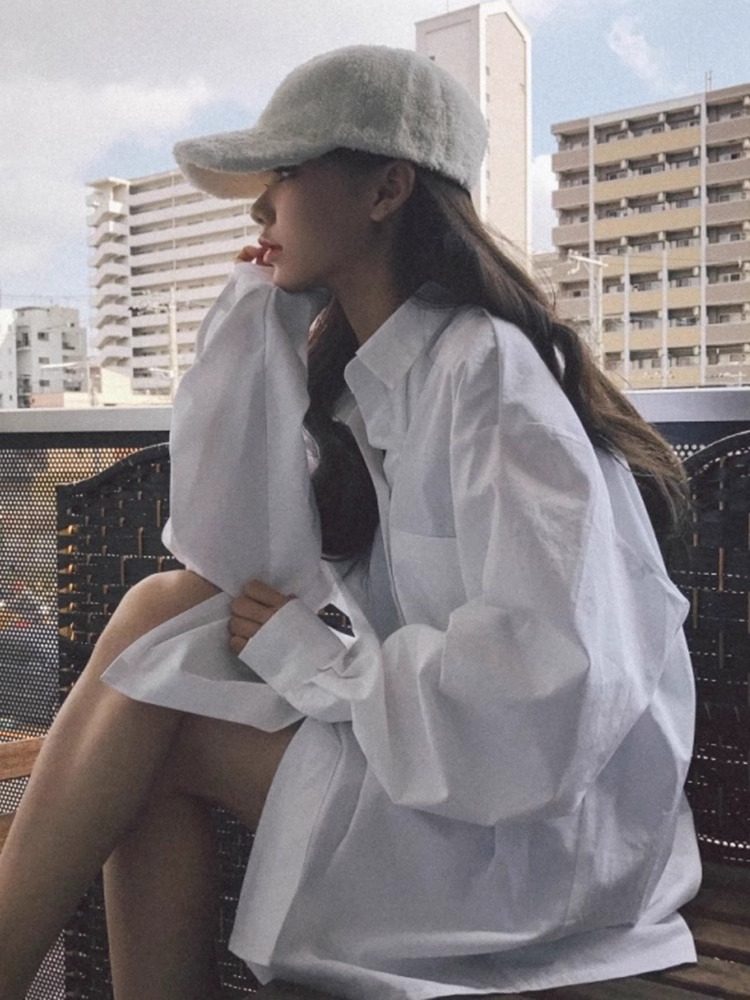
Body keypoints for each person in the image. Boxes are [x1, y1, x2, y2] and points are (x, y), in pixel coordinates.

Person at [0, 44, 701, 1000]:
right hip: (450, 758)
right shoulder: (377, 384)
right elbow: (220, 560)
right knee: (159, 608)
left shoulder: (485, 375)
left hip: (538, 834)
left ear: (386, 190)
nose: (260, 207)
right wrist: (257, 321)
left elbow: (551, 687)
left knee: (155, 732)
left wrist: (316, 658)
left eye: (285, 172)